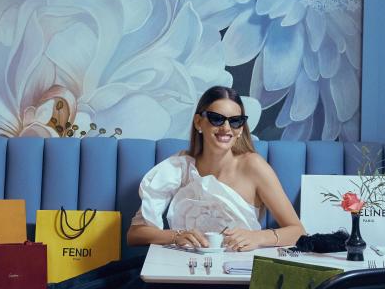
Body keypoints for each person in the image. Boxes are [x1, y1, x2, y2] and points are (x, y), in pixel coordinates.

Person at [126, 86, 306, 252]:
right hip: (182, 270)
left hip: (236, 274)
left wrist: (258, 237)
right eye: (217, 119)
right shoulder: (179, 167)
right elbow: (134, 235)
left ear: (241, 128)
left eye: (235, 121)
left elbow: (297, 231)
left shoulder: (254, 166)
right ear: (198, 122)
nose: (226, 128)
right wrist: (176, 236)